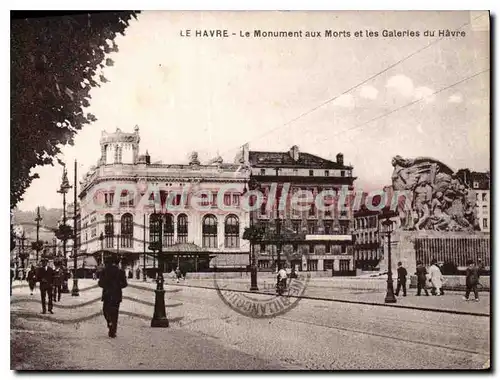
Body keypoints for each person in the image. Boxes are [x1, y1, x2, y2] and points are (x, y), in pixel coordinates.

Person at [98, 255, 128, 338]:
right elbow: (125, 284)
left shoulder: (104, 271)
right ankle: (113, 331)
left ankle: (109, 322)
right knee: (115, 313)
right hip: (117, 295)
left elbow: (100, 283)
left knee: (105, 311)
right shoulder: (121, 272)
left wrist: (106, 286)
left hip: (107, 295)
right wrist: (118, 286)